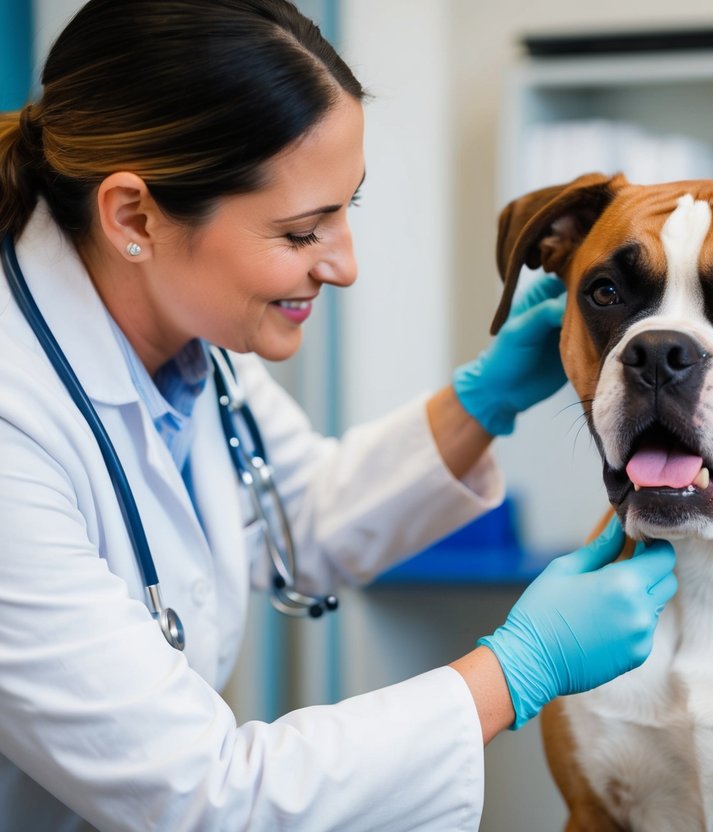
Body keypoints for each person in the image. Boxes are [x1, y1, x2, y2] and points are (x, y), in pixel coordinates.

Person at [0, 1, 677, 829]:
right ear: (134, 216)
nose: (345, 264)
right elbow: (209, 797)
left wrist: (482, 402)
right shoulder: (15, 424)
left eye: (346, 206)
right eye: (301, 230)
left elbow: (303, 515)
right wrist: (514, 672)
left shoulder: (182, 344)